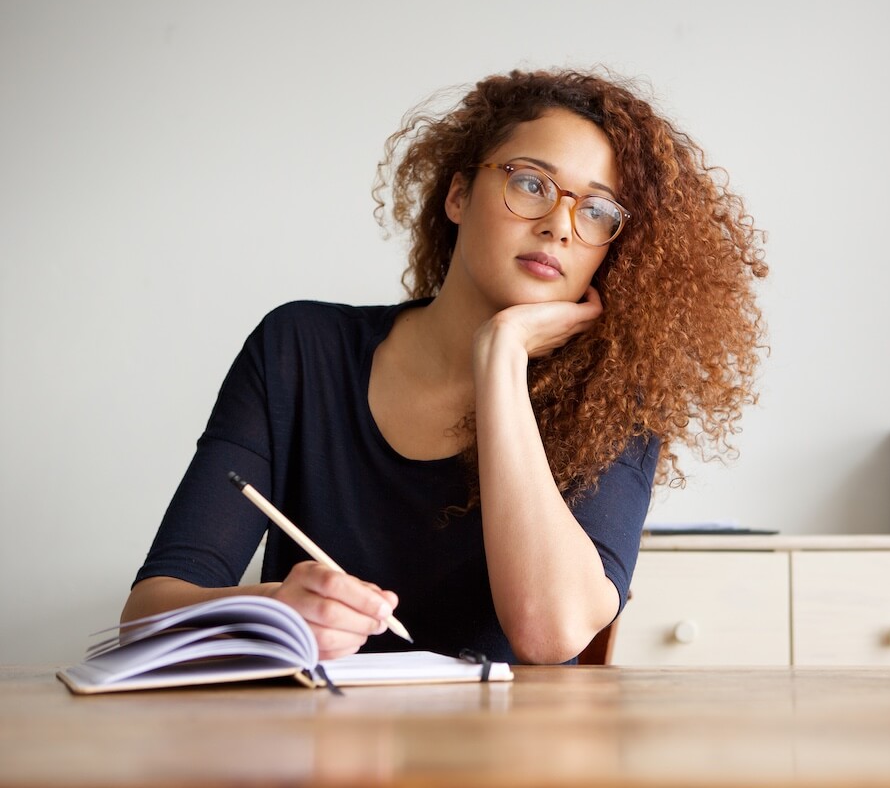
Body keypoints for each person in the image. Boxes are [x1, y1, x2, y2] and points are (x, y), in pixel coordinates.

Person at [121, 67, 768, 665]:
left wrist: (501, 356)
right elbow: (145, 618)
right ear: (458, 194)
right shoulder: (300, 348)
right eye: (531, 183)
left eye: (597, 210)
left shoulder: (616, 402)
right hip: (321, 755)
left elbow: (551, 631)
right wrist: (272, 609)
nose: (560, 225)